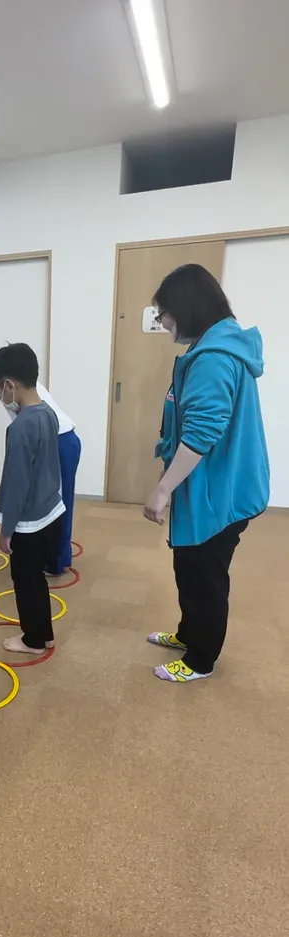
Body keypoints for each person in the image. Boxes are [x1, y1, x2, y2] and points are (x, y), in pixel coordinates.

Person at [143, 264, 269, 682]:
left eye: (163, 313)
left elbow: (203, 432)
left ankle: (201, 660)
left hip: (221, 491)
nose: (161, 322)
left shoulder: (214, 358)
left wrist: (162, 490)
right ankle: (188, 633)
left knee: (205, 575)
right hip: (211, 485)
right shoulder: (213, 347)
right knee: (189, 566)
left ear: (185, 307)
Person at [0, 350, 80, 575]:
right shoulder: (9, 379)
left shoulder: (9, 384)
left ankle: (56, 560)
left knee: (58, 502)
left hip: (61, 439)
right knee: (52, 500)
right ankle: (53, 555)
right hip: (57, 438)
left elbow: (25, 430)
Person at [0, 344, 64, 656]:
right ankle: (44, 634)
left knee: (24, 579)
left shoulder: (20, 427)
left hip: (29, 522)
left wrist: (7, 529)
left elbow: (16, 483)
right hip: (51, 512)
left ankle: (32, 639)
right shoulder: (48, 414)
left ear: (9, 385)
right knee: (36, 579)